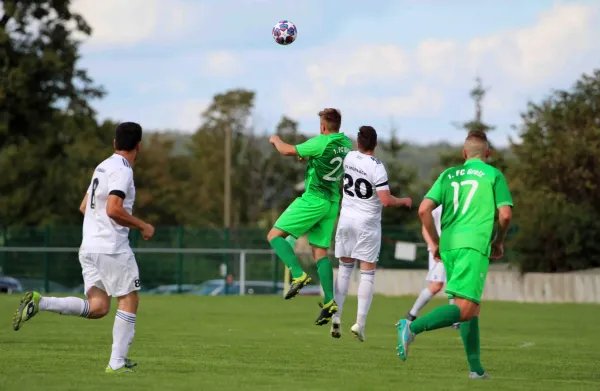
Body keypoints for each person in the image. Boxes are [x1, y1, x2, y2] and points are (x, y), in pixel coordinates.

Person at [12, 122, 155, 374]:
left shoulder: (102, 166)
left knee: (98, 307)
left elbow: (83, 206)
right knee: (129, 299)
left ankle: (40, 302)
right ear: (139, 146)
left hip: (89, 245)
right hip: (111, 247)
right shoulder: (123, 170)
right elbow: (113, 209)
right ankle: (117, 364)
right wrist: (142, 225)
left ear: (114, 143)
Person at [396, 130, 513, 380]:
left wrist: (436, 242)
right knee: (466, 309)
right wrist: (498, 241)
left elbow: (424, 209)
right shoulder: (494, 175)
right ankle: (411, 327)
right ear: (488, 153)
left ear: (464, 153)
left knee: (471, 307)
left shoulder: (448, 175)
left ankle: (476, 370)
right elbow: (505, 215)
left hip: (449, 245)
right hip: (473, 245)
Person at [267, 108, 352, 326]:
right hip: (333, 202)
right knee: (320, 252)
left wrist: (276, 140)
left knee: (274, 235)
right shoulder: (346, 144)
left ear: (323, 126)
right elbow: (322, 160)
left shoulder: (321, 142)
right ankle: (329, 301)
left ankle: (298, 274)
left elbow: (287, 150)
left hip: (313, 199)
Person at [331, 126, 411, 341]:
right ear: (375, 144)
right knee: (367, 274)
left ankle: (336, 316)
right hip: (367, 224)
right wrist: (403, 201)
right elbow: (385, 200)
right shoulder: (377, 167)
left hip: (346, 220)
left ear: (358, 143)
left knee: (345, 270)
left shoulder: (348, 158)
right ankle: (360, 323)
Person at [405, 204, 459, 329]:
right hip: (439, 250)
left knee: (454, 284)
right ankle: (412, 314)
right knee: (436, 285)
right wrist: (433, 245)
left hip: (455, 250)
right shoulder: (437, 208)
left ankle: (455, 320)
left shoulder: (460, 205)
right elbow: (425, 228)